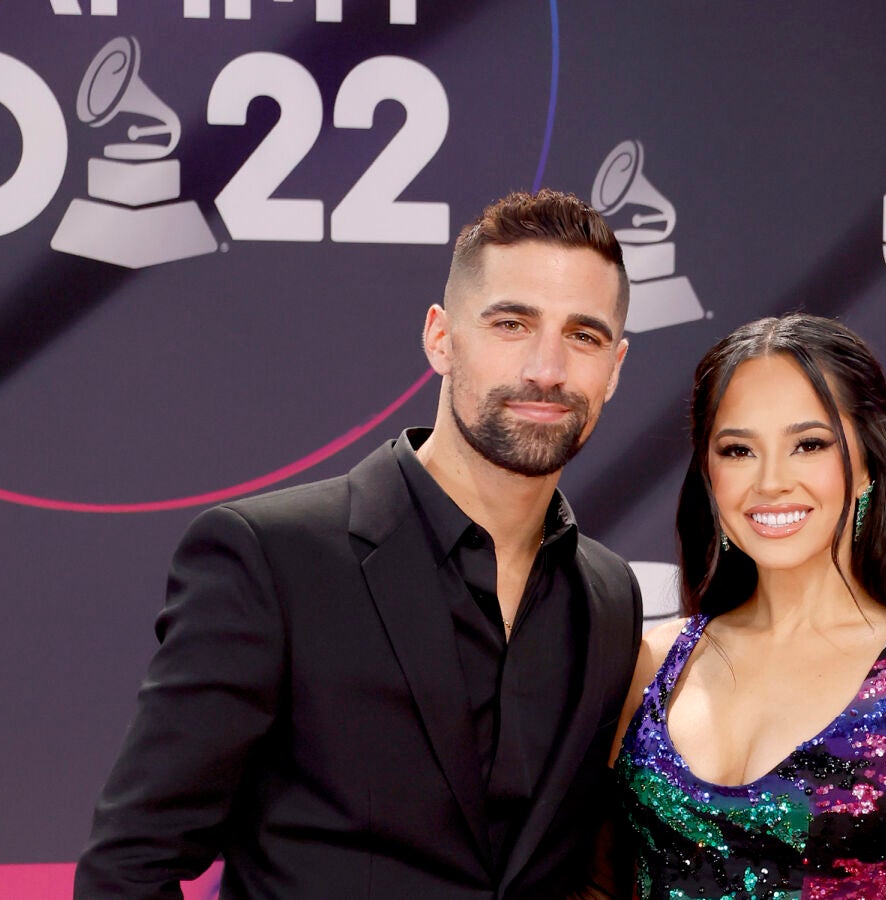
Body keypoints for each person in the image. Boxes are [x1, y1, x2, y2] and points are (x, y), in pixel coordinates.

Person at [75, 190, 644, 900]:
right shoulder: (272, 560)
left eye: (584, 336)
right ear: (441, 338)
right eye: (511, 323)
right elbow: (129, 868)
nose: (547, 367)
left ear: (614, 368)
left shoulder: (609, 597)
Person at [612, 314, 886, 899]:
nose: (771, 481)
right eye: (739, 450)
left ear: (868, 463)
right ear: (708, 473)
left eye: (808, 444)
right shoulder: (652, 662)